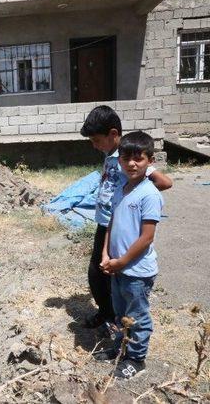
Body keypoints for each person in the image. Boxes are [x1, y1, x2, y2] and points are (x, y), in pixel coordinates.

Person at [79, 106, 172, 329]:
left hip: (116, 224)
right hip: (105, 223)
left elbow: (165, 182)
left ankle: (113, 318)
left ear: (113, 134)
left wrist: (135, 194)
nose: (94, 145)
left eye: (96, 140)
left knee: (102, 273)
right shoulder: (112, 154)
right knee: (100, 271)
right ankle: (107, 313)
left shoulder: (128, 156)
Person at [94, 131, 164, 379]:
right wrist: (105, 253)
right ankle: (120, 348)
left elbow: (146, 237)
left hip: (137, 271)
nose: (132, 164)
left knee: (137, 317)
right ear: (119, 160)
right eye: (126, 159)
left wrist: (122, 260)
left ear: (150, 161)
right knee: (120, 313)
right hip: (118, 267)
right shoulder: (121, 189)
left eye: (139, 158)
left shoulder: (149, 194)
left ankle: (136, 359)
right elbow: (111, 222)